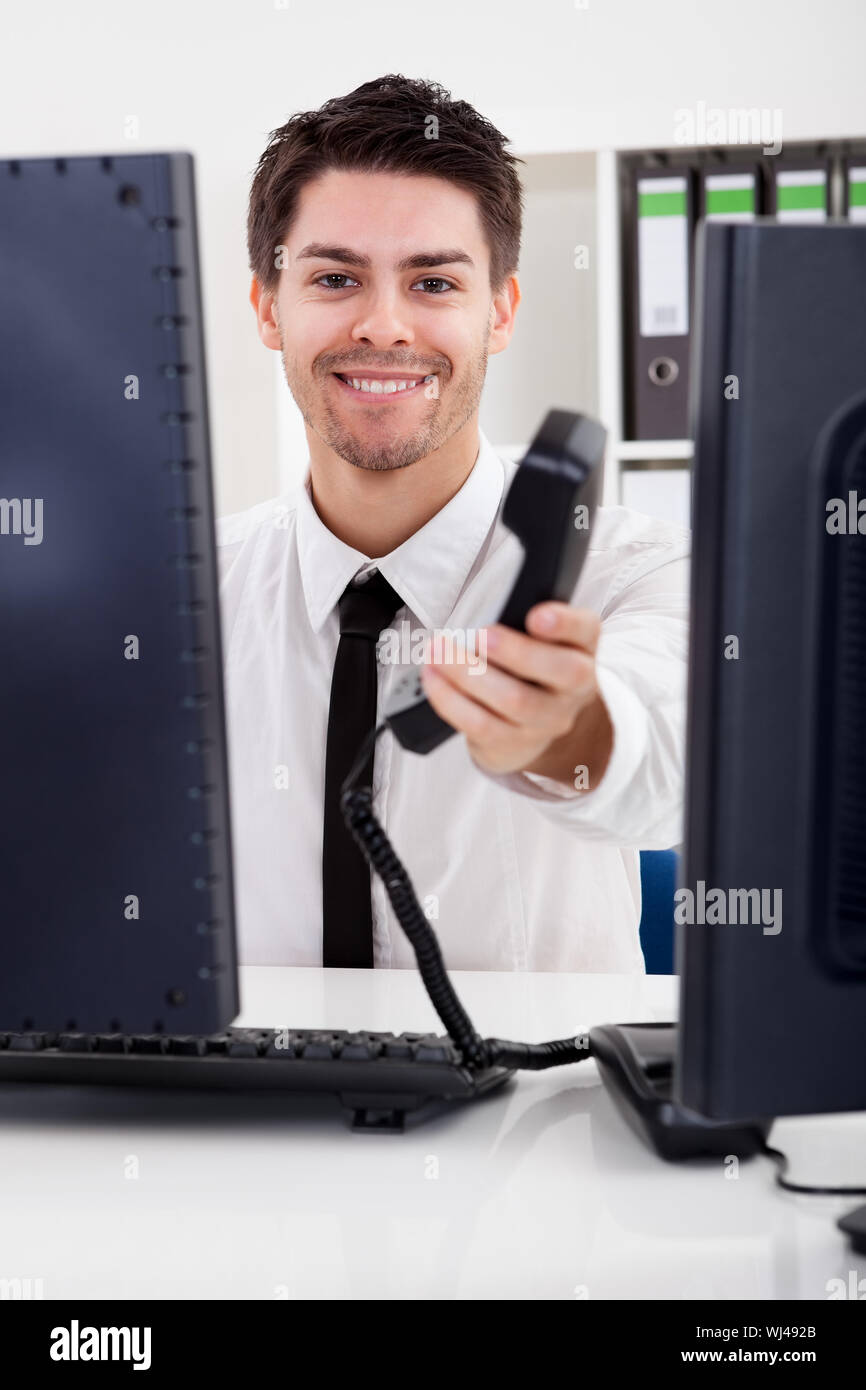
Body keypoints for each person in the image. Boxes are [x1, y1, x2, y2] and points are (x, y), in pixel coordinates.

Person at [218, 74, 690, 972]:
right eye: (334, 277)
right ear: (267, 307)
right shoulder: (176, 599)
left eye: (433, 280)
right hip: (245, 1115)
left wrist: (567, 732)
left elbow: (670, 765)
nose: (385, 325)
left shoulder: (639, 567)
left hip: (547, 1112)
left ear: (499, 311)